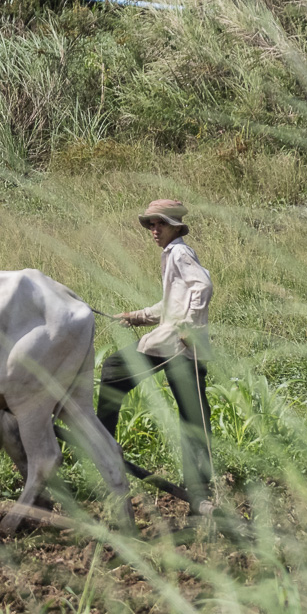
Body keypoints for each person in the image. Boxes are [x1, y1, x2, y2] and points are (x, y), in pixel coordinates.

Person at [97, 199, 214, 510]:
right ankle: (200, 491)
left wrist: (189, 325)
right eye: (151, 225)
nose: (154, 230)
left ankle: (101, 446)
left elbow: (203, 285)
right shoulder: (172, 254)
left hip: (176, 344)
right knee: (193, 416)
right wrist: (136, 316)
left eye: (159, 224)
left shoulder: (179, 252)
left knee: (112, 372)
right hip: (175, 343)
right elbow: (172, 302)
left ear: (175, 226)